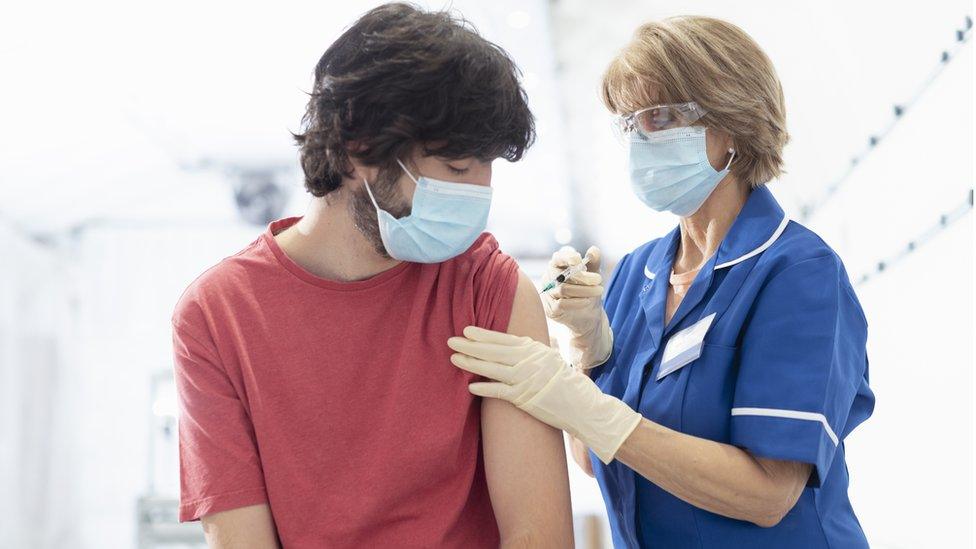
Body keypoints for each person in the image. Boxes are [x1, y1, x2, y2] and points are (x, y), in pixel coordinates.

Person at [448, 16, 875, 548]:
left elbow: (768, 495)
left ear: (734, 122)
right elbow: (595, 458)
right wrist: (587, 351)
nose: (640, 139)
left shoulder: (798, 273)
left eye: (662, 117)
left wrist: (585, 405)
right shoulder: (636, 272)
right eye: (629, 123)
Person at [171, 4, 573, 547]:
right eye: (457, 169)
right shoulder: (218, 316)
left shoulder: (489, 289)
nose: (478, 194)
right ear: (360, 147)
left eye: (487, 169)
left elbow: (539, 536)